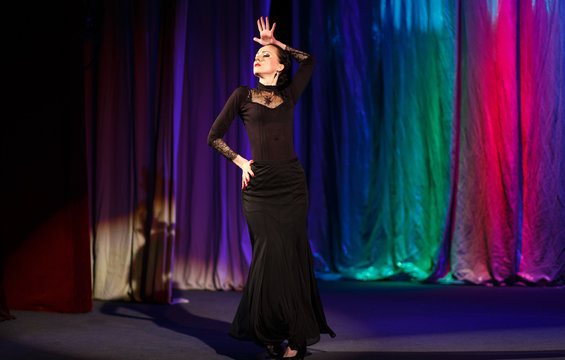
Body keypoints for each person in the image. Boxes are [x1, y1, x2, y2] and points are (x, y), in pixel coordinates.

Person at [207, 17, 335, 359]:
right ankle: (266, 328)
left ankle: (295, 335)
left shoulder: (289, 94)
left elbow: (308, 61)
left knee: (292, 257)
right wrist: (241, 162)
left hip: (292, 185)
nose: (258, 57)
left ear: (279, 66)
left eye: (266, 55)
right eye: (257, 55)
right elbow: (213, 137)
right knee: (268, 256)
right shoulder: (242, 95)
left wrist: (277, 43)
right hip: (260, 188)